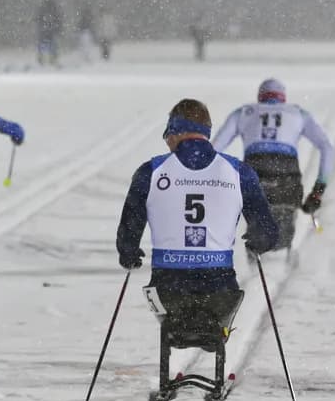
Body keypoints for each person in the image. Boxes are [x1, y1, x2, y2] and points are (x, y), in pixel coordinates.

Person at [116, 98, 278, 296]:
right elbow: (268, 231)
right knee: (220, 309)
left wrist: (128, 252)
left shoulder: (150, 172)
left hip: (167, 287)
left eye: (167, 135)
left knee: (170, 308)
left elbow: (130, 226)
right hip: (220, 287)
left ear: (176, 131)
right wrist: (260, 240)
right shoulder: (239, 172)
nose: (167, 142)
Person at [211, 78, 335, 252]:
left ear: (260, 97)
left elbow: (213, 150)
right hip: (287, 182)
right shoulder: (298, 113)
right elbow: (327, 148)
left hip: (254, 180)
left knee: (256, 233)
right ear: (283, 98)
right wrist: (318, 191)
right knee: (283, 234)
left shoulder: (243, 113)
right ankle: (283, 255)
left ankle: (255, 257)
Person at [35, 0, 63, 65]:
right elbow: (59, 21)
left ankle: (42, 59)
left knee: (44, 45)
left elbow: (38, 20)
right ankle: (51, 59)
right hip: (50, 31)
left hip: (45, 31)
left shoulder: (43, 10)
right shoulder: (54, 11)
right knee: (52, 46)